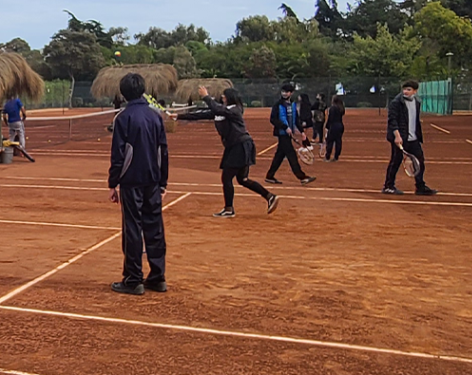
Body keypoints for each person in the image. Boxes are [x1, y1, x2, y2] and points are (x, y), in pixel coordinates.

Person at [174, 86, 279, 218]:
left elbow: (217, 108)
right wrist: (178, 116)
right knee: (242, 179)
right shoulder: (222, 110)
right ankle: (270, 196)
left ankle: (229, 209)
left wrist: (206, 96)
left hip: (240, 146)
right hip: (234, 146)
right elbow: (202, 114)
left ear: (229, 97)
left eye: (224, 96)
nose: (222, 97)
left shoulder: (235, 110)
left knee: (227, 177)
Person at [108, 73, 169, 295]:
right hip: (152, 181)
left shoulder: (123, 118)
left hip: (132, 182)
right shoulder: (155, 117)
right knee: (154, 227)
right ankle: (157, 276)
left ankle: (134, 279)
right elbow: (163, 151)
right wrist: (163, 182)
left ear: (124, 94)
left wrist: (113, 183)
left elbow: (119, 155)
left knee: (133, 228)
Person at [383, 80, 437, 196]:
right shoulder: (396, 102)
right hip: (400, 138)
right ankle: (388, 186)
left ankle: (420, 187)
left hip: (414, 139)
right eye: (405, 89)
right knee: (395, 162)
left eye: (409, 90)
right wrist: (397, 136)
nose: (406, 92)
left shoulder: (417, 102)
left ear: (415, 91)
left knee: (419, 162)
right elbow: (392, 120)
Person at [265, 83, 316, 186]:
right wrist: (284, 127)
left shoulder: (293, 104)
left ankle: (269, 176)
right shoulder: (277, 105)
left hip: (288, 134)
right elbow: (273, 119)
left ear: (291, 93)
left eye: (287, 92)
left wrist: (302, 132)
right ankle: (301, 177)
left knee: (279, 156)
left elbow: (296, 120)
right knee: (291, 155)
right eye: (283, 91)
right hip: (282, 134)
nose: (284, 93)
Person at [324, 95, 345, 162]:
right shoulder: (341, 108)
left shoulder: (333, 108)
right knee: (338, 141)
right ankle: (336, 157)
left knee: (330, 141)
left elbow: (330, 119)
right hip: (340, 126)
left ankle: (327, 156)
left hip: (333, 126)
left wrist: (327, 126)